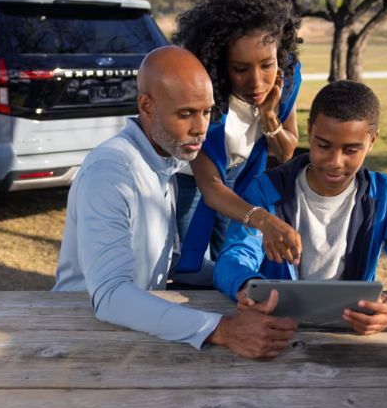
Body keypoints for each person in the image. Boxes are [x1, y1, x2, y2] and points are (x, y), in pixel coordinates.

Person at [53, 46, 297, 359]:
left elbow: (168, 265)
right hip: (79, 336)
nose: (201, 128)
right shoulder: (111, 171)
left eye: (207, 112)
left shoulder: (162, 159)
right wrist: (222, 330)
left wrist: (246, 282)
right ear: (147, 106)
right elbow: (110, 296)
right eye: (186, 114)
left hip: (137, 330)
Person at [214, 80, 387, 335]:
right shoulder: (266, 190)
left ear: (372, 141)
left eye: (351, 150)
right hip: (274, 329)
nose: (334, 162)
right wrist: (248, 287)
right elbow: (233, 257)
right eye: (323, 145)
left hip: (349, 335)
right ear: (309, 130)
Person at [170, 0, 304, 286]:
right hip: (190, 183)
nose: (257, 82)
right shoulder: (205, 95)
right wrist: (263, 220)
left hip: (240, 176)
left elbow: (285, 151)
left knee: (232, 260)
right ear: (219, 64)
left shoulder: (286, 81)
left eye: (267, 65)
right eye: (240, 69)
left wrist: (270, 117)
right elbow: (211, 186)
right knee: (192, 271)